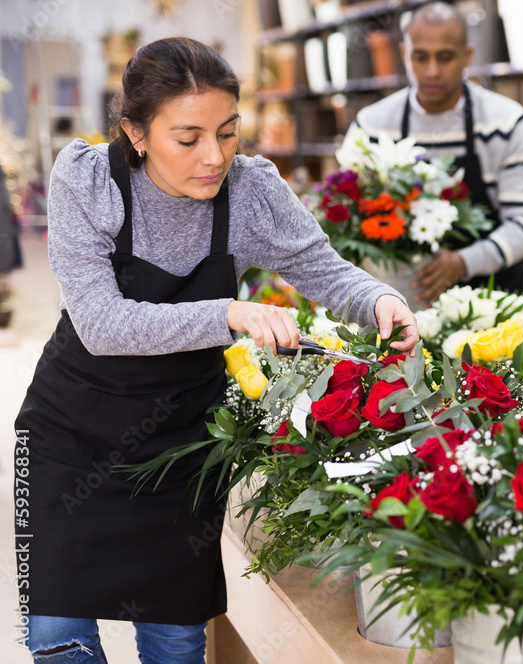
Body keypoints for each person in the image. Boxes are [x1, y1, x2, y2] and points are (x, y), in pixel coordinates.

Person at [13, 37, 418, 664]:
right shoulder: (88, 182)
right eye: (188, 137)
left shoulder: (252, 189)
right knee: (59, 639)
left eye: (228, 132)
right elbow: (101, 324)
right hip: (70, 433)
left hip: (182, 444)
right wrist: (229, 312)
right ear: (136, 132)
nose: (214, 156)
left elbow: (322, 268)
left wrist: (377, 301)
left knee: (175, 641)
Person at [354, 1, 523, 304]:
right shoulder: (372, 126)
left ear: (467, 56)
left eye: (445, 58)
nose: (431, 71)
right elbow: (351, 220)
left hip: (494, 305)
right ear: (404, 54)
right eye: (420, 57)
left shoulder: (505, 122)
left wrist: (462, 263)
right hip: (402, 304)